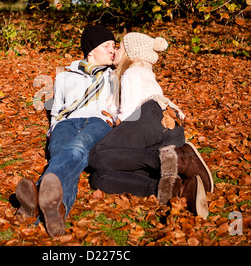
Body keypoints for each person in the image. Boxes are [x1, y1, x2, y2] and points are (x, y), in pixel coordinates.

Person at [89, 32, 214, 218]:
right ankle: (179, 188)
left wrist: (114, 122)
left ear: (132, 54)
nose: (115, 51)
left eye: (120, 47)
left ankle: (182, 159)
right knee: (99, 177)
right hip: (169, 130)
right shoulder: (143, 72)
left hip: (154, 118)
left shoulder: (133, 73)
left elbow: (130, 115)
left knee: (98, 156)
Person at [15, 25, 116, 236]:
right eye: (107, 46)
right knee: (61, 154)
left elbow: (122, 107)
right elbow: (58, 110)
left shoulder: (114, 77)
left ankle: (36, 194)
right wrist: (53, 129)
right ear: (91, 50)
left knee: (76, 149)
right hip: (66, 123)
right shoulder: (64, 76)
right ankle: (58, 211)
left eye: (114, 46)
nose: (112, 50)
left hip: (98, 122)